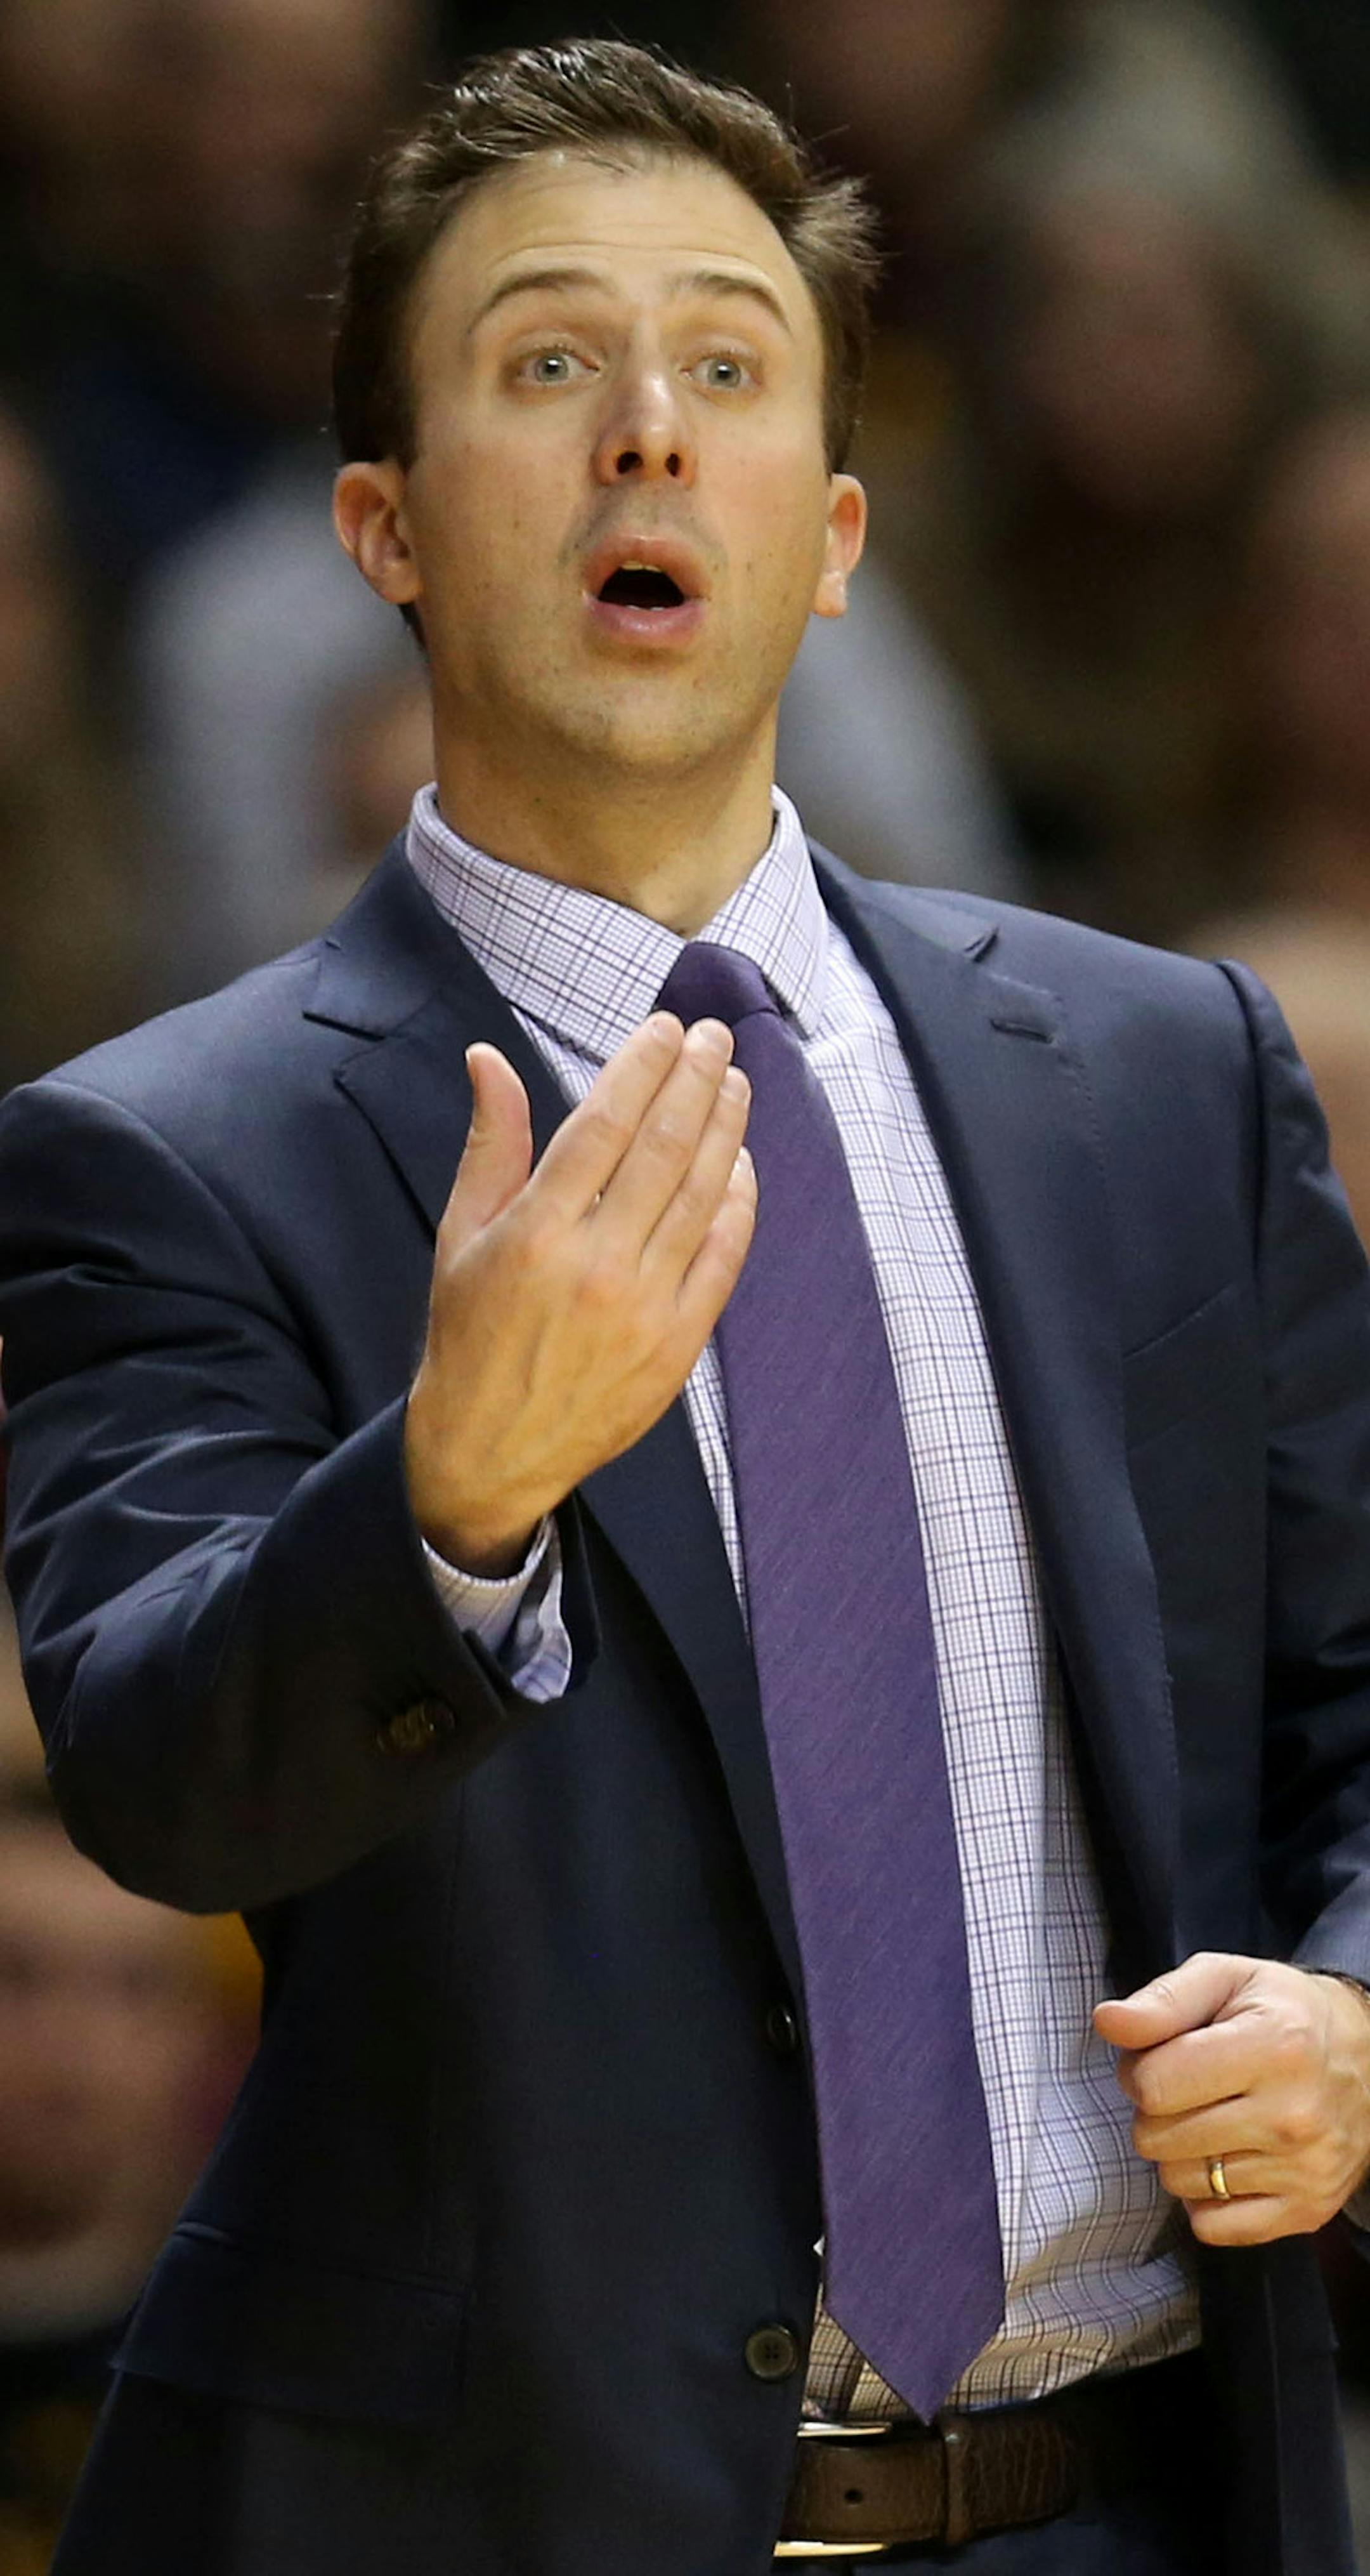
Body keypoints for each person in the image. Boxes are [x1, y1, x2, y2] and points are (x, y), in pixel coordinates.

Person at [1, 39, 1369, 2576]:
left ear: (833, 532)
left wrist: (1361, 2019)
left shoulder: (1163, 1077)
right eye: (549, 364)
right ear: (380, 527)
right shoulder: (170, 1153)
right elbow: (166, 1782)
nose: (650, 430)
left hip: (1140, 2502)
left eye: (726, 367)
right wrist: (447, 1499)